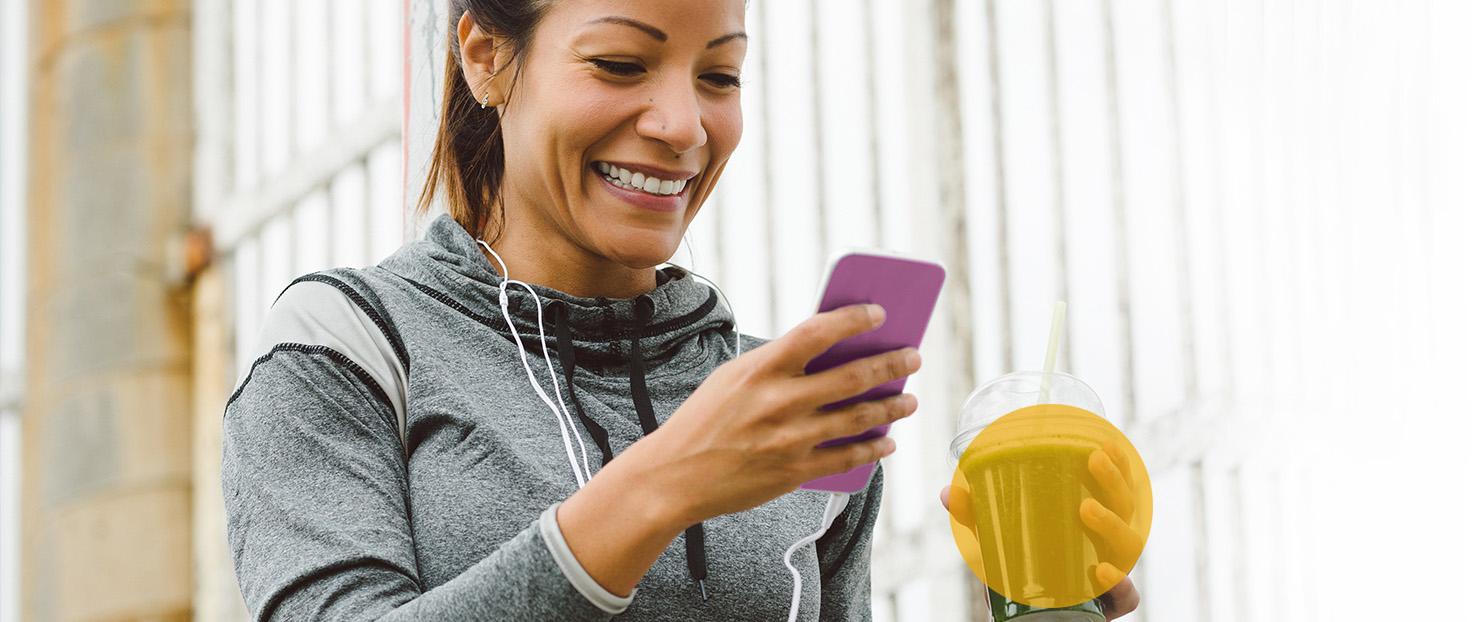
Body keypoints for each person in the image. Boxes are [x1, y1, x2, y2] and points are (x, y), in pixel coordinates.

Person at [222, 1, 1139, 620]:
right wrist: (662, 486)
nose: (683, 126)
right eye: (621, 63)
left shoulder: (790, 406)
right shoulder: (350, 345)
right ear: (485, 58)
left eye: (720, 77)